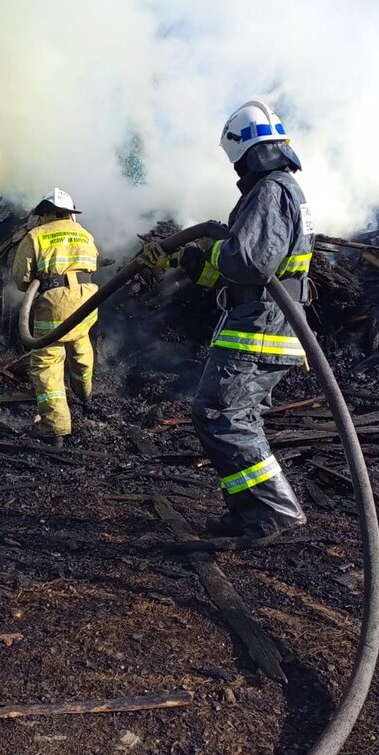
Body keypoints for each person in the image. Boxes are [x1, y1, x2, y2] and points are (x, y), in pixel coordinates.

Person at [142, 100, 314, 546]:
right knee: (233, 415)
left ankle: (273, 510)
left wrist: (213, 248)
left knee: (222, 415)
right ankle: (249, 511)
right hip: (264, 321)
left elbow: (249, 263)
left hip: (261, 327)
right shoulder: (277, 190)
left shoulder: (271, 191)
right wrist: (186, 259)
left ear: (244, 149)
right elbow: (231, 269)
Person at [12, 188, 99, 449]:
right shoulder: (84, 233)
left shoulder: (36, 236)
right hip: (86, 299)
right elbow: (93, 262)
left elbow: (21, 279)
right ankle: (85, 394)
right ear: (70, 213)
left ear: (45, 213)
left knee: (47, 363)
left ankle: (55, 428)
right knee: (80, 344)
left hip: (55, 303)